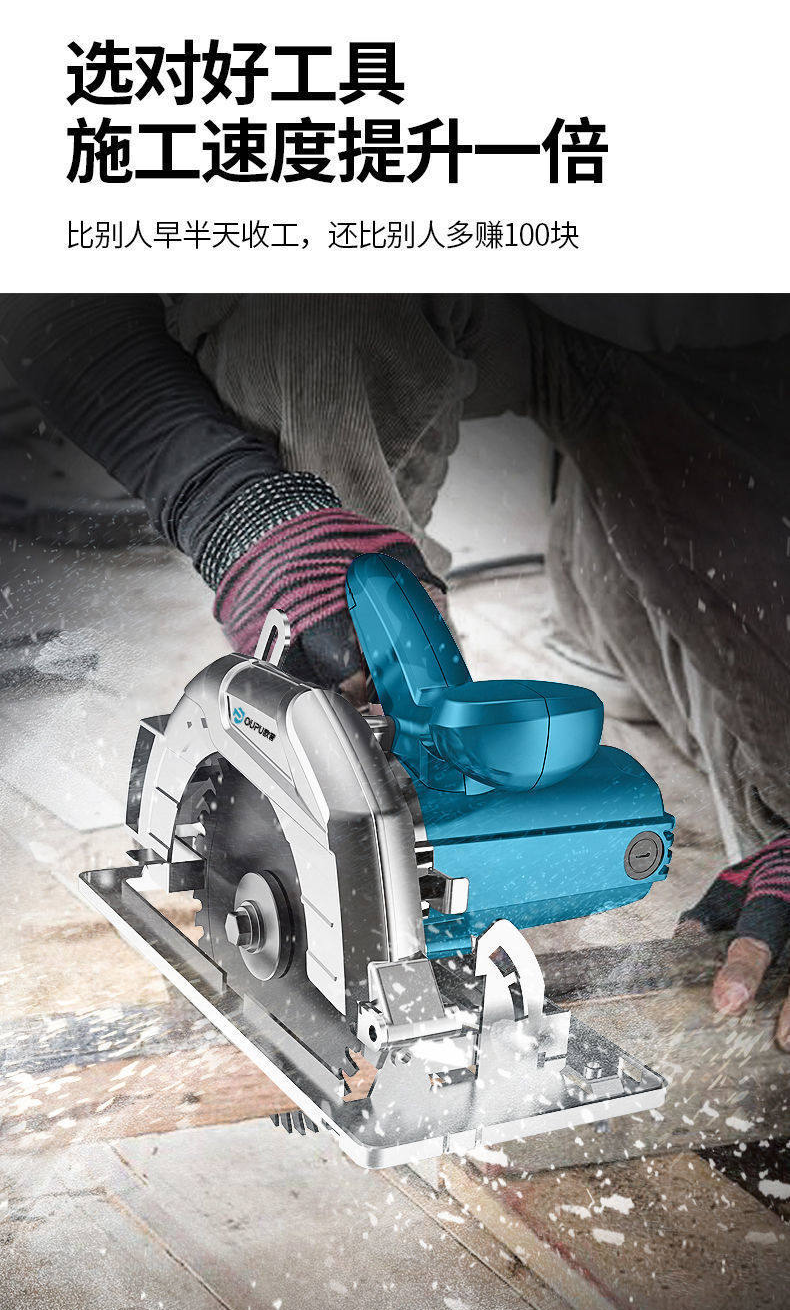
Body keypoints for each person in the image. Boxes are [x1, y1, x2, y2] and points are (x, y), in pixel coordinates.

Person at [1, 292, 789, 1043]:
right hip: (421, 277)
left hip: (713, 353)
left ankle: (618, 582)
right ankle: (377, 816)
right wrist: (231, 500)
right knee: (303, 326)